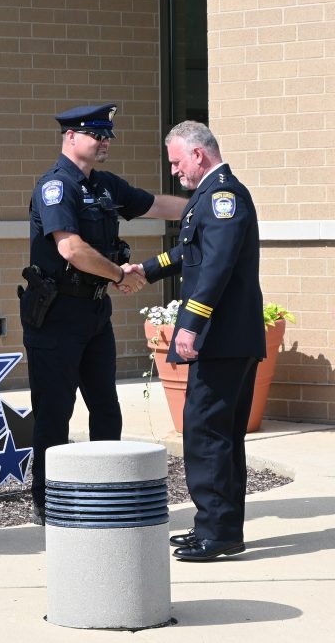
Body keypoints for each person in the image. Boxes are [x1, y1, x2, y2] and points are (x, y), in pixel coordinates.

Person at [22, 104, 186, 525]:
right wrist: (120, 275)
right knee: (55, 413)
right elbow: (70, 249)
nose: (105, 142)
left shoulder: (106, 186)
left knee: (106, 406)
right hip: (57, 314)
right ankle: (48, 498)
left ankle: (107, 491)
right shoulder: (56, 187)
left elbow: (157, 205)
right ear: (72, 137)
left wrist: (205, 203)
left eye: (107, 135)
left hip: (94, 311)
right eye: (97, 134)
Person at [132, 121, 263, 561]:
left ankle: (218, 533)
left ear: (198, 155)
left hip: (222, 339)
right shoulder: (209, 197)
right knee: (217, 436)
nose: (174, 172)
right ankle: (216, 526)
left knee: (207, 434)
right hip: (227, 339)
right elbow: (192, 253)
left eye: (176, 161)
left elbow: (216, 268)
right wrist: (148, 269)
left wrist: (189, 324)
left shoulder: (223, 197)